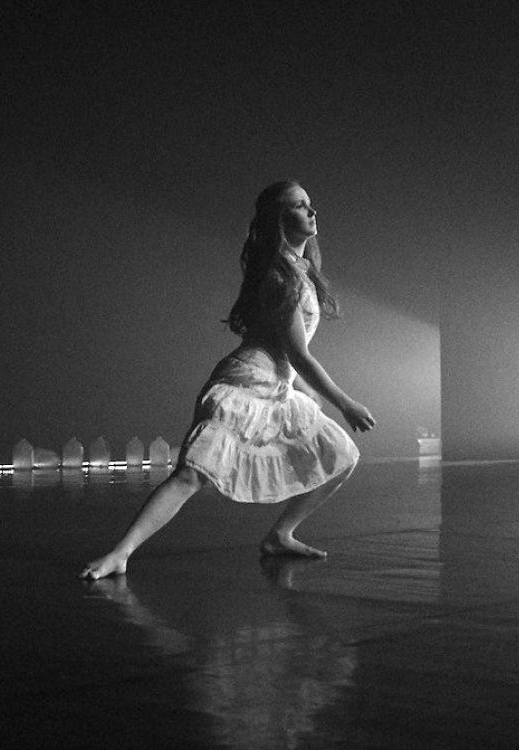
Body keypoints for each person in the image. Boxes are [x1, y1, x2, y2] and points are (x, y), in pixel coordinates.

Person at [80, 181, 375, 580]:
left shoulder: (303, 269)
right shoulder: (280, 276)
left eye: (310, 204)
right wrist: (345, 403)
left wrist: (301, 391)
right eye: (300, 206)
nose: (312, 211)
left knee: (342, 458)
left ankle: (280, 535)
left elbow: (284, 351)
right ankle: (121, 552)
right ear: (279, 218)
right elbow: (299, 354)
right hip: (245, 384)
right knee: (192, 474)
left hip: (276, 386)